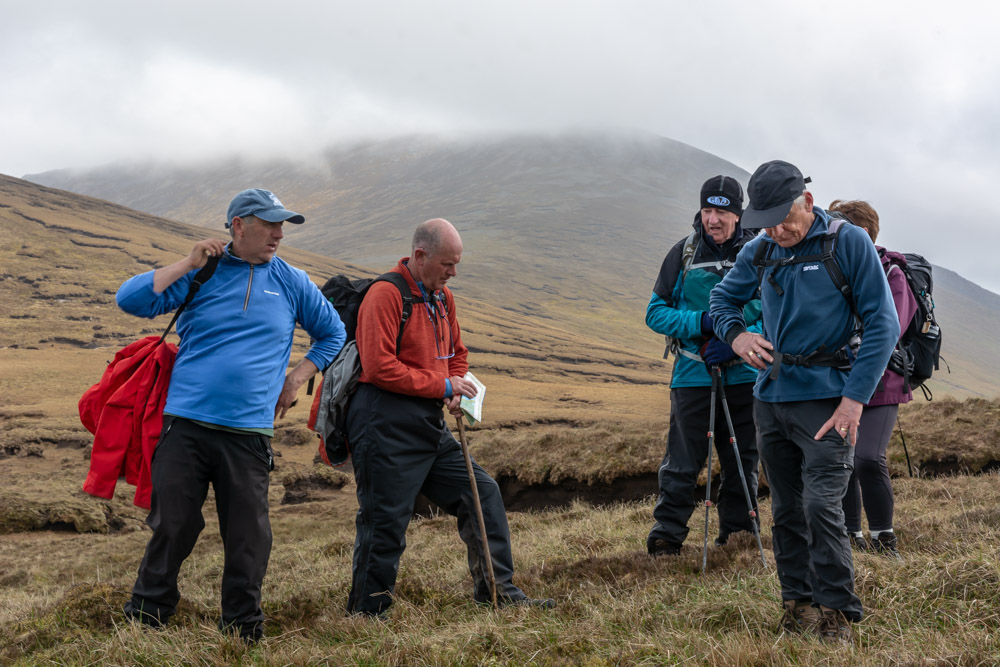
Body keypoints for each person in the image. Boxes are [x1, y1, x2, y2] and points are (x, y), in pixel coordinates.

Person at [118, 188, 346, 642]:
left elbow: (333, 333)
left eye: (283, 225)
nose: (279, 234)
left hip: (248, 435)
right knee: (173, 526)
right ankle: (146, 617)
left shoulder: (291, 280)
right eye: (270, 224)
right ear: (238, 225)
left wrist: (297, 378)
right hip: (184, 425)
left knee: (248, 537)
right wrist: (187, 263)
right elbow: (132, 300)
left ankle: (243, 628)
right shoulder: (203, 274)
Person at [709, 161, 899, 642]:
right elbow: (721, 302)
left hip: (829, 402)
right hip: (770, 399)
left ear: (808, 203)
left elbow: (883, 323)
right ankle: (798, 606)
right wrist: (737, 338)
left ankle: (837, 613)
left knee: (821, 508)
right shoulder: (761, 248)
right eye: (767, 221)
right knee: (787, 510)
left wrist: (855, 400)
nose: (777, 230)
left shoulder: (846, 242)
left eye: (784, 219)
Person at [346, 218, 553, 616]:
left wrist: (456, 383)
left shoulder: (443, 297)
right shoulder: (385, 295)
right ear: (420, 256)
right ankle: (366, 616)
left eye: (456, 264)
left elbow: (456, 353)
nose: (453, 272)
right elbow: (377, 367)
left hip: (426, 424)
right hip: (381, 424)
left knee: (481, 493)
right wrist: (443, 387)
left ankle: (498, 592)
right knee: (385, 522)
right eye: (447, 264)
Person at [645, 175, 763, 557]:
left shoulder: (761, 252)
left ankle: (738, 536)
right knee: (681, 462)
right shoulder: (683, 253)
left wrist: (736, 343)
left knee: (742, 459)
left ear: (738, 213)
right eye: (707, 210)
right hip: (692, 375)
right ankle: (666, 537)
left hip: (744, 375)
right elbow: (655, 313)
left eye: (723, 211)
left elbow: (778, 315)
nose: (713, 219)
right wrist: (702, 323)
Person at [829, 199, 916, 559]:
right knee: (844, 458)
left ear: (862, 233)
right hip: (840, 378)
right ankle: (851, 536)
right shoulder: (834, 267)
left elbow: (889, 329)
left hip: (883, 381)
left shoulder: (893, 273)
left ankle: (884, 538)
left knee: (866, 457)